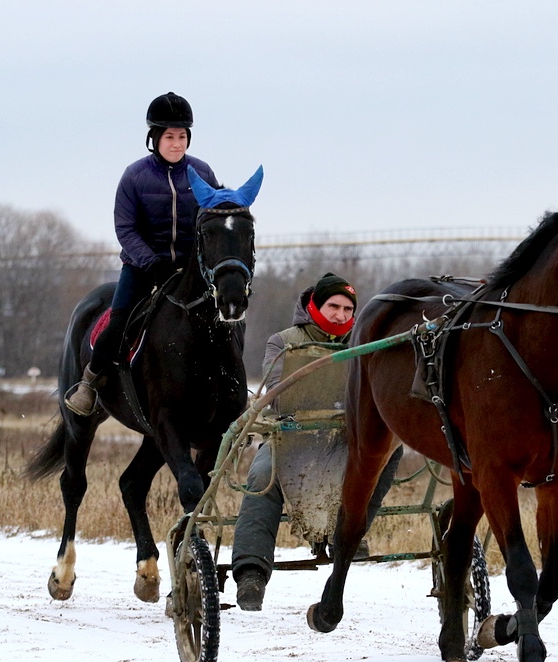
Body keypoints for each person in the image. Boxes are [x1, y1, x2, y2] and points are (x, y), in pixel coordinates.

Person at [231, 273, 404, 611]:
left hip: (348, 439)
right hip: (292, 436)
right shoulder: (283, 342)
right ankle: (251, 571)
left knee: (390, 452)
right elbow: (280, 394)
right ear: (315, 306)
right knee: (261, 476)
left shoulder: (365, 339)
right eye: (333, 306)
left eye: (348, 308)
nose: (341, 314)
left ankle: (352, 535)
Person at [65, 91, 220, 416]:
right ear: (154, 138)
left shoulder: (203, 172)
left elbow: (213, 216)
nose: (177, 144)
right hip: (143, 267)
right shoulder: (134, 176)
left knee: (223, 319)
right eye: (169, 137)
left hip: (192, 270)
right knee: (118, 324)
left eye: (182, 137)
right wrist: (151, 262)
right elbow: (126, 229)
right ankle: (90, 382)